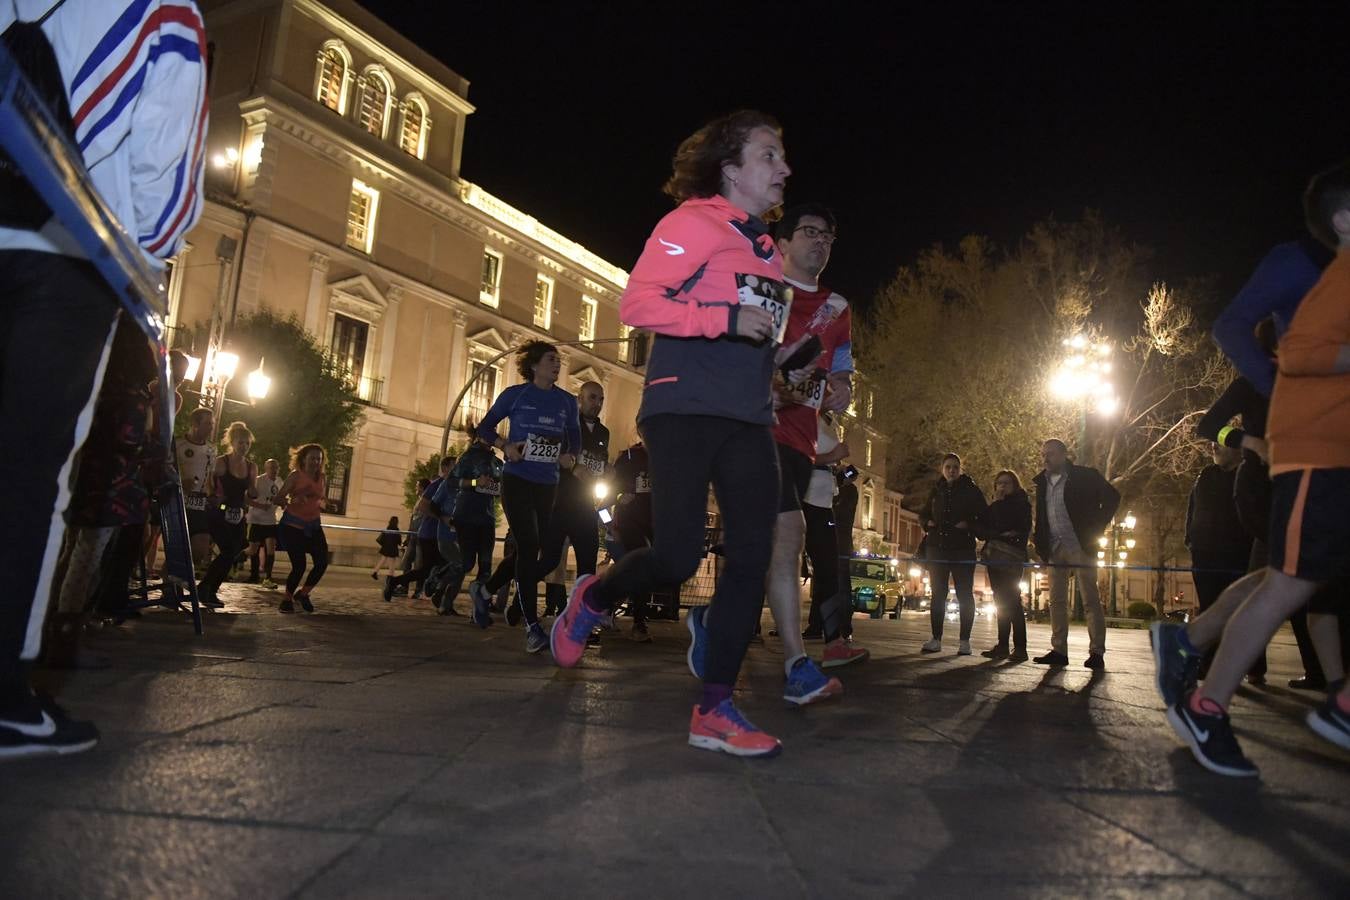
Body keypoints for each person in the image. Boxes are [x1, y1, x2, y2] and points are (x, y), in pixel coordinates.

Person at [0, 0, 208, 759]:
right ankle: (3, 695)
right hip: (68, 246)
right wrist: (146, 256)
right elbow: (163, 171)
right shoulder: (163, 8)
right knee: (27, 467)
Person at [550, 109, 792, 757]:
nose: (784, 168)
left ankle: (715, 707)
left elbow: (755, 328)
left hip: (747, 419)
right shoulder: (692, 222)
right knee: (679, 555)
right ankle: (594, 596)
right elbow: (639, 304)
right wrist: (723, 318)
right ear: (731, 167)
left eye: (782, 157)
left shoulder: (767, 250)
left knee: (751, 555)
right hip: (682, 408)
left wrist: (770, 375)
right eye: (769, 155)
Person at [1154, 160, 1350, 774]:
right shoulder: (1299, 265)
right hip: (1296, 445)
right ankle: (1207, 677)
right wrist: (1266, 405)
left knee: (1286, 574)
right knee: (1287, 577)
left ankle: (1194, 647)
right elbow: (1237, 329)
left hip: (1326, 441)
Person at [763, 203, 867, 691]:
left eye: (828, 236)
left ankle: (716, 621)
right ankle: (797, 665)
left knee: (766, 548)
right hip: (756, 432)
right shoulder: (758, 290)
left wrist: (843, 385)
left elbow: (842, 368)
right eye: (810, 232)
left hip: (801, 442)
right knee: (788, 537)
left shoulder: (838, 309)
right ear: (782, 243)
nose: (821, 241)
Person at [470, 341, 580, 653]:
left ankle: (485, 590)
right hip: (517, 481)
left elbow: (575, 439)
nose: (557, 365)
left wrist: (570, 456)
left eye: (559, 360)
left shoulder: (566, 402)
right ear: (534, 366)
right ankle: (532, 627)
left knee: (547, 555)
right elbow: (484, 428)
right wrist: (505, 446)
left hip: (549, 485)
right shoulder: (515, 395)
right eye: (551, 359)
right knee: (529, 547)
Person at [1030, 439, 1120, 669]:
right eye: (1043, 454)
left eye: (1050, 454)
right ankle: (1059, 650)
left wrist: (1096, 527)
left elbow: (1112, 497)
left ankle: (1097, 652)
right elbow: (1042, 515)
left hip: (1081, 546)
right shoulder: (1042, 483)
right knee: (1056, 600)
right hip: (1055, 547)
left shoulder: (1085, 476)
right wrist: (1041, 544)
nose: (1045, 458)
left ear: (1063, 455)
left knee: (1090, 599)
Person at [1183, 442, 1260, 681]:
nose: (1214, 446)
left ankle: (1254, 666)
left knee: (1244, 610)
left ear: (1239, 449)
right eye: (1214, 441)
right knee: (1210, 608)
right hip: (1205, 552)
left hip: (1239, 552)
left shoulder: (1250, 475)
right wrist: (1191, 538)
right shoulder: (1206, 475)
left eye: (1223, 442)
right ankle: (1210, 665)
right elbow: (1193, 507)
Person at [535, 380, 610, 606]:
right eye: (592, 397)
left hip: (586, 506)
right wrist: (572, 467)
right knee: (549, 561)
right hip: (560, 503)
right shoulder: (565, 425)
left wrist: (605, 471)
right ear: (579, 399)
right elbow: (549, 457)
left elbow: (599, 462)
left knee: (587, 565)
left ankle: (578, 614)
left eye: (601, 399)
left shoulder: (604, 432)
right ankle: (522, 597)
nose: (597, 403)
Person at [920, 454, 988, 656]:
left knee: (964, 594)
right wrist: (927, 523)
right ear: (942, 469)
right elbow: (923, 513)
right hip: (938, 548)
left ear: (961, 469)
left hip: (962, 549)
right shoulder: (936, 490)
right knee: (938, 594)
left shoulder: (971, 491)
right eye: (948, 467)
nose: (952, 470)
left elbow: (983, 516)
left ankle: (965, 641)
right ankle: (936, 638)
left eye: (955, 467)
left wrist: (969, 526)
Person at [197, 422, 258, 608]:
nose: (244, 447)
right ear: (232, 442)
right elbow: (209, 482)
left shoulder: (251, 466)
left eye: (247, 444)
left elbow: (251, 493)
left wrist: (253, 490)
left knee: (232, 553)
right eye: (241, 443)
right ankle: (206, 587)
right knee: (228, 550)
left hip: (237, 514)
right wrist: (213, 494)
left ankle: (210, 590)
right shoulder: (222, 462)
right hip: (219, 512)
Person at [802, 417, 850, 646]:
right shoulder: (804, 415)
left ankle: (832, 639)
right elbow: (793, 456)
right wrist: (832, 457)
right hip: (806, 502)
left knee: (828, 572)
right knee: (780, 568)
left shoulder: (827, 422)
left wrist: (836, 470)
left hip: (823, 503)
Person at [449, 430, 502, 626]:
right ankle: (437, 579)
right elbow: (452, 481)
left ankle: (478, 611)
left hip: (487, 518)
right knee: (466, 563)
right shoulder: (468, 457)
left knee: (486, 568)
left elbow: (500, 488)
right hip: (467, 517)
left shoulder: (498, 463)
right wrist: (474, 482)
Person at [978, 470, 1032, 661]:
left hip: (1011, 558)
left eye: (1006, 483)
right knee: (1000, 601)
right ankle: (1002, 645)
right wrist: (998, 533)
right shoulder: (995, 505)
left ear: (1015, 485)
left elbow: (1019, 527)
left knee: (1012, 601)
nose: (1002, 486)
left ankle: (1020, 647)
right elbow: (981, 528)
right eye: (999, 483)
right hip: (995, 557)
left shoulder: (1021, 505)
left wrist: (999, 529)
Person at [383, 457, 452, 603]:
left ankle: (396, 582)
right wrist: (442, 518)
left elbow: (472, 483)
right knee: (433, 568)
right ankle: (398, 583)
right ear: (445, 468)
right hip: (429, 535)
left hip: (442, 536)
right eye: (454, 466)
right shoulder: (437, 485)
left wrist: (479, 483)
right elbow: (422, 506)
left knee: (439, 566)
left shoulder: (455, 484)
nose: (457, 470)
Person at [275, 443, 329, 613]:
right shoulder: (295, 476)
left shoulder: (322, 477)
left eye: (319, 459)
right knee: (299, 566)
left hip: (313, 525)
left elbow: (322, 498)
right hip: (293, 526)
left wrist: (324, 504)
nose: (315, 462)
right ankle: (287, 599)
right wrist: (293, 500)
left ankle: (303, 594)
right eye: (312, 458)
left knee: (322, 562)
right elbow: (278, 499)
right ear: (304, 458)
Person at [611, 436, 654, 641]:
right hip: (628, 527)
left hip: (653, 527)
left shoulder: (668, 458)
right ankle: (639, 622)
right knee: (640, 567)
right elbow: (603, 503)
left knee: (633, 574)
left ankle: (603, 604)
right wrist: (610, 527)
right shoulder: (629, 458)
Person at [176, 407, 217, 567]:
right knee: (179, 547)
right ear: (195, 423)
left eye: (212, 424)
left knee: (200, 547)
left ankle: (173, 574)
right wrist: (181, 482)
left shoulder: (211, 449)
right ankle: (171, 580)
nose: (211, 428)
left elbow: (209, 477)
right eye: (207, 424)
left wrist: (212, 494)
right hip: (179, 502)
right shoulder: (178, 445)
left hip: (199, 503)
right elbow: (165, 470)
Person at [246, 458, 282, 588]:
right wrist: (261, 506)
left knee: (271, 548)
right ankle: (249, 571)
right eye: (271, 467)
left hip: (270, 520)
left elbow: (280, 498)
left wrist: (283, 503)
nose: (274, 470)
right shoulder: (258, 481)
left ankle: (268, 577)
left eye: (276, 467)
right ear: (266, 468)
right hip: (256, 519)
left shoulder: (279, 482)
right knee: (253, 549)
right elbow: (246, 499)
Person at [373, 516, 402, 581]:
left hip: (386, 548)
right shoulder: (396, 531)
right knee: (392, 563)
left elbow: (381, 539)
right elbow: (399, 541)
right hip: (393, 549)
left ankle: (375, 572)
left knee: (382, 560)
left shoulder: (387, 529)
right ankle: (390, 577)